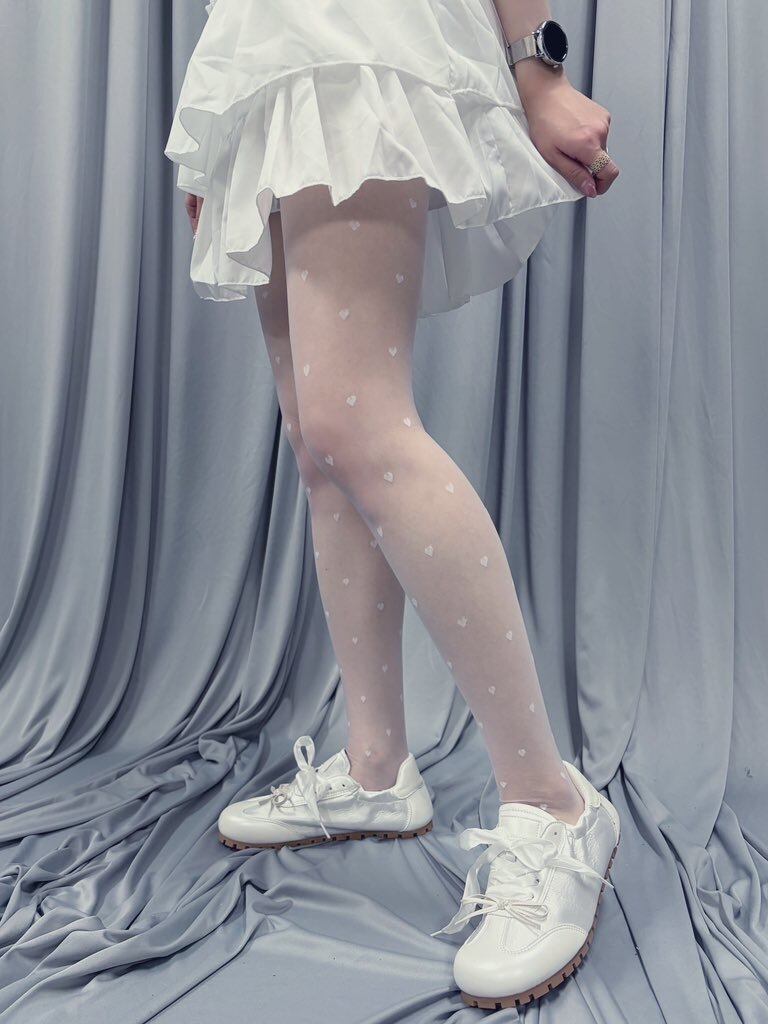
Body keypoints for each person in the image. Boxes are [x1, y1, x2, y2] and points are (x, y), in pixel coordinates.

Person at [165, 0, 621, 1009]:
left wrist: (535, 67)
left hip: (361, 35)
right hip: (274, 50)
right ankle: (377, 769)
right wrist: (227, 119)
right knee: (320, 440)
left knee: (361, 427)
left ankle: (553, 802)